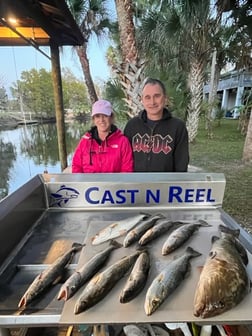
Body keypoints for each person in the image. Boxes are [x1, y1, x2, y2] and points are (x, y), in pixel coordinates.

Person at [124, 78, 189, 172]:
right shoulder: (132, 126)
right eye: (147, 97)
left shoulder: (178, 127)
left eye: (157, 96)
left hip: (166, 185)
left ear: (165, 98)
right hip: (137, 184)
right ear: (142, 100)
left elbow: (181, 164)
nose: (152, 102)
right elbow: (125, 160)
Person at [72, 99, 133, 173]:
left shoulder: (123, 142)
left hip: (114, 184)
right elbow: (76, 166)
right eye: (97, 116)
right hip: (89, 184)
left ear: (111, 118)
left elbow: (127, 169)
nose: (101, 120)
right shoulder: (85, 141)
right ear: (94, 119)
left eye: (105, 116)